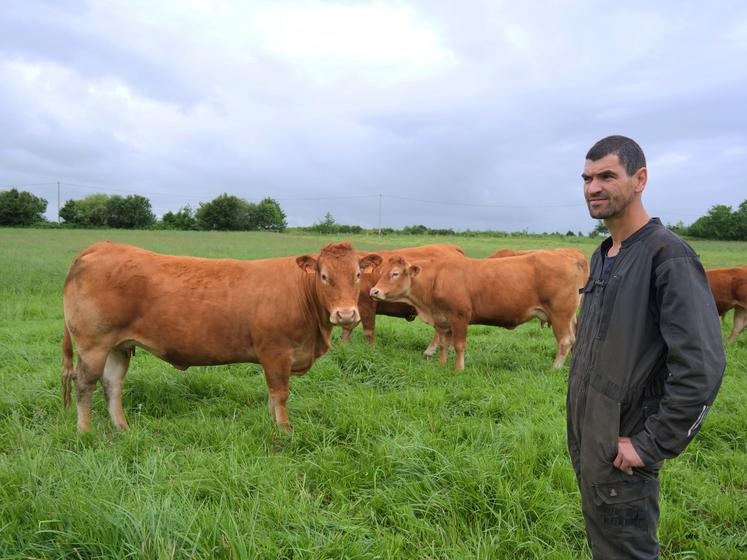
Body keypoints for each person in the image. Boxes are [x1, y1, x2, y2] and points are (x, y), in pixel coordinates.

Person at [566, 135, 726, 559]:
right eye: (586, 178)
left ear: (640, 179)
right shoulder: (606, 254)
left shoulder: (668, 256)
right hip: (595, 445)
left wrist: (649, 445)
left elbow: (703, 366)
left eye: (606, 176)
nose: (592, 188)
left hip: (626, 454)